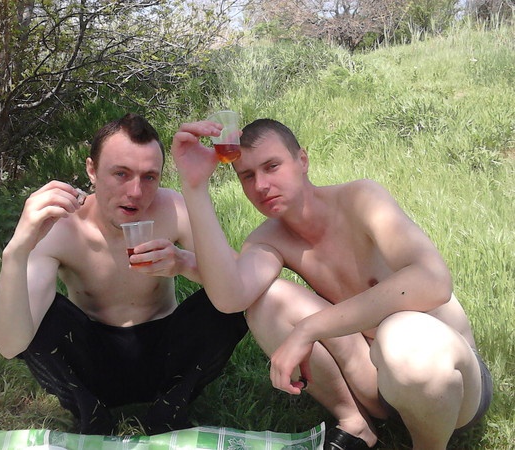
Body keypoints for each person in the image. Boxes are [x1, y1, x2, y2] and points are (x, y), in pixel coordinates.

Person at [170, 118, 493, 450]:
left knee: (400, 331)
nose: (261, 185)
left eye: (272, 166)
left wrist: (309, 329)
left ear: (302, 160)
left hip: (447, 379)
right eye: (247, 176)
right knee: (267, 300)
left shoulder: (360, 199)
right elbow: (231, 297)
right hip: (377, 379)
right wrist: (194, 187)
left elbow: (433, 280)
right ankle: (356, 421)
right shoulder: (268, 239)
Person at [0, 113, 248, 436]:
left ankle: (170, 409)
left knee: (224, 306)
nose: (135, 192)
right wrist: (16, 252)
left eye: (149, 177)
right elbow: (10, 343)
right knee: (35, 314)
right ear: (92, 170)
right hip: (91, 362)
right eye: (121, 174)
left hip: (165, 356)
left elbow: (242, 282)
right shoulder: (62, 226)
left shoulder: (172, 208)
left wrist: (184, 262)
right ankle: (91, 414)